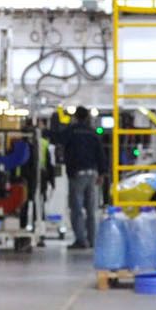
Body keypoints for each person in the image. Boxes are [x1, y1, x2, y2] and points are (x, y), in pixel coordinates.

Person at [65, 102, 106, 249]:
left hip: (78, 174)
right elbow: (100, 153)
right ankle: (92, 240)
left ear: (75, 117)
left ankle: (80, 240)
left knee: (76, 208)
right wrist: (102, 173)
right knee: (91, 209)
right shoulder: (93, 132)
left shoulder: (71, 131)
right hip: (93, 174)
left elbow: (58, 140)